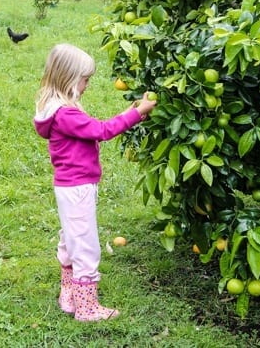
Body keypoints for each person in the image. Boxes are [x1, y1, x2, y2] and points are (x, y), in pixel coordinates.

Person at [33, 44, 156, 322]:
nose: (87, 85)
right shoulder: (66, 114)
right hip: (77, 187)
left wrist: (131, 111)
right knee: (86, 245)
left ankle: (69, 294)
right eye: (85, 80)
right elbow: (101, 131)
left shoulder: (55, 109)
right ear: (69, 78)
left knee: (70, 239)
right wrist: (135, 115)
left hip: (67, 186)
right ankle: (87, 309)